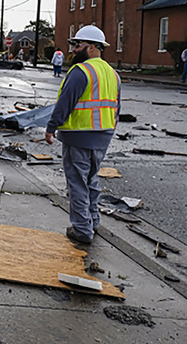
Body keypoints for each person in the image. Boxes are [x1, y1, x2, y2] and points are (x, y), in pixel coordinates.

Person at [44, 25, 121, 245]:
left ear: (93, 48)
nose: (73, 50)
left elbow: (65, 104)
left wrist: (51, 127)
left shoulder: (82, 72)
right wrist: (108, 131)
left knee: (77, 183)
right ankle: (93, 221)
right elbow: (117, 108)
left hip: (78, 135)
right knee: (91, 180)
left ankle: (82, 230)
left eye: (77, 45)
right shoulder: (112, 74)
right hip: (102, 136)